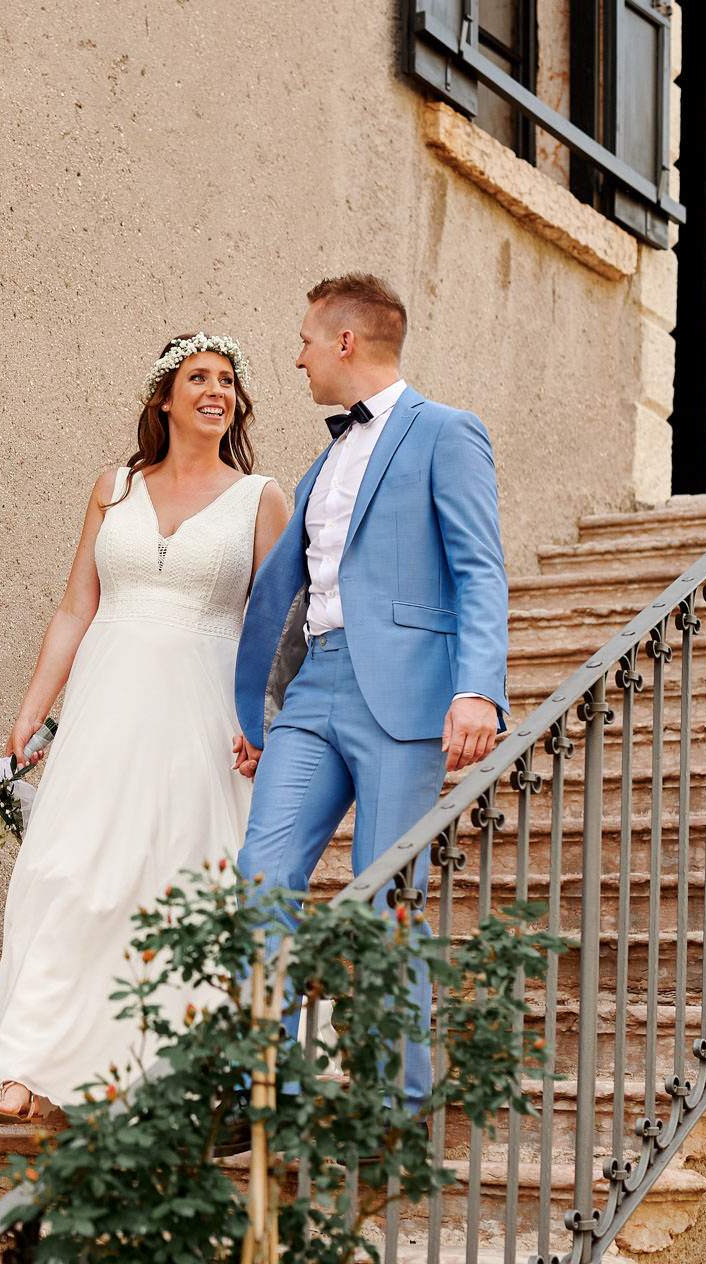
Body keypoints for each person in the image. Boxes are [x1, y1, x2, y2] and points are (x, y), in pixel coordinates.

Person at [0, 333, 291, 1124]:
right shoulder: (113, 487)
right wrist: (34, 707)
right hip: (107, 707)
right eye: (198, 377)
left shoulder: (262, 498)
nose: (216, 390)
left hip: (202, 713)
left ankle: (166, 1079)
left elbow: (275, 626)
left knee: (178, 880)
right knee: (65, 872)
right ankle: (25, 1072)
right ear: (163, 398)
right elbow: (78, 605)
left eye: (228, 381)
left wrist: (263, 719)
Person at [232, 274, 509, 1104]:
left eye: (306, 341)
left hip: (407, 696)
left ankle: (399, 1101)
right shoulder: (325, 457)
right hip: (314, 689)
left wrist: (479, 689)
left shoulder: (447, 433)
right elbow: (300, 592)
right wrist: (262, 709)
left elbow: (478, 567)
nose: (297, 358)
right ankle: (264, 1085)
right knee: (260, 873)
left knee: (387, 893)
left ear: (345, 341)